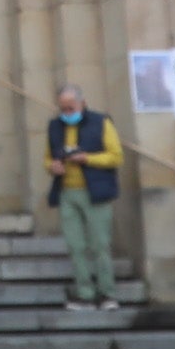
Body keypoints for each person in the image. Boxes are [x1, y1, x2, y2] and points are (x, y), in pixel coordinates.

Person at [47, 80, 126, 307]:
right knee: (75, 245)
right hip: (67, 192)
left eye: (71, 107)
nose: (67, 112)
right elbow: (48, 157)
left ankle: (107, 292)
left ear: (83, 103)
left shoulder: (101, 122)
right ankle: (84, 292)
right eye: (63, 108)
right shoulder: (55, 126)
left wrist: (87, 159)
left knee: (100, 244)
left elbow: (116, 156)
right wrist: (53, 166)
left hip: (95, 192)